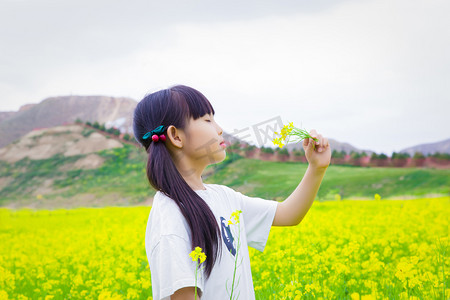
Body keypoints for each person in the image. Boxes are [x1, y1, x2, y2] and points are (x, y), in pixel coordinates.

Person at [133, 85, 331, 300]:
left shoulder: (224, 197)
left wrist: (316, 168)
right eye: (207, 120)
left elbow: (288, 214)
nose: (219, 129)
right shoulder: (170, 216)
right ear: (176, 136)